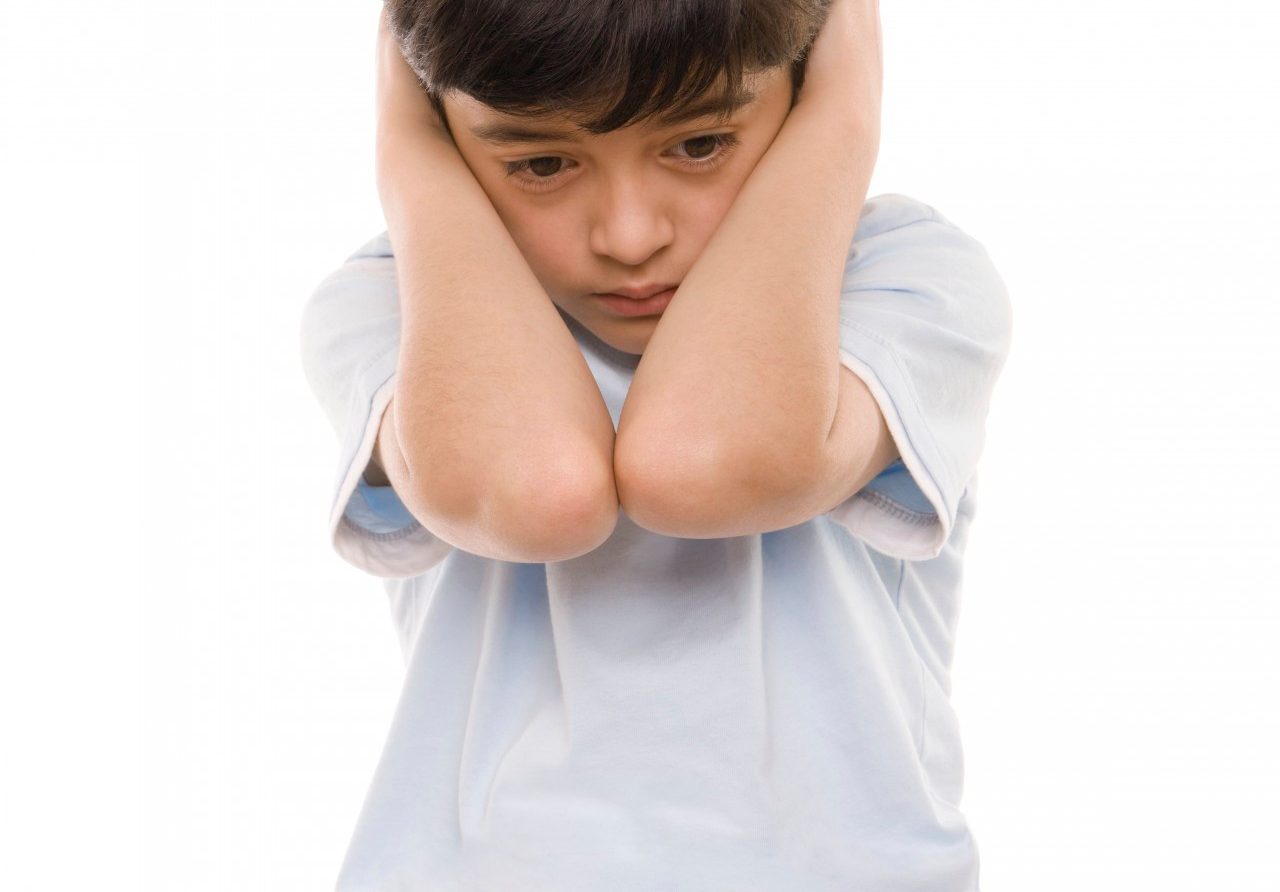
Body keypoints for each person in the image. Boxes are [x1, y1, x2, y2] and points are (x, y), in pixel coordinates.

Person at [299, 0, 1013, 887]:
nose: (630, 236)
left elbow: (704, 466)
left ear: (808, 83)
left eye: (701, 144)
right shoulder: (398, 307)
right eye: (542, 162)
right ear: (438, 125)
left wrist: (844, 115)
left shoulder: (902, 277)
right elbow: (537, 493)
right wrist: (406, 157)